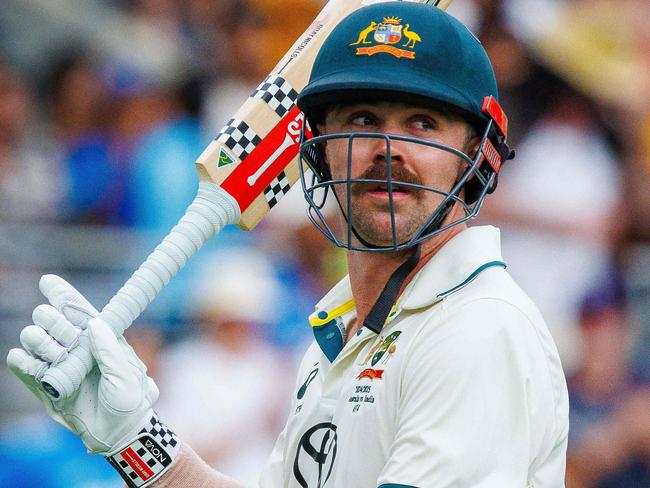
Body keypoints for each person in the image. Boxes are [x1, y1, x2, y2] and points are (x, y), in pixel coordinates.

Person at [7, 3, 569, 488]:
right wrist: (135, 439)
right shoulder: (339, 336)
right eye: (363, 119)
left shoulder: (477, 328)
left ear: (478, 159)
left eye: (422, 124)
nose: (388, 149)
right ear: (319, 152)